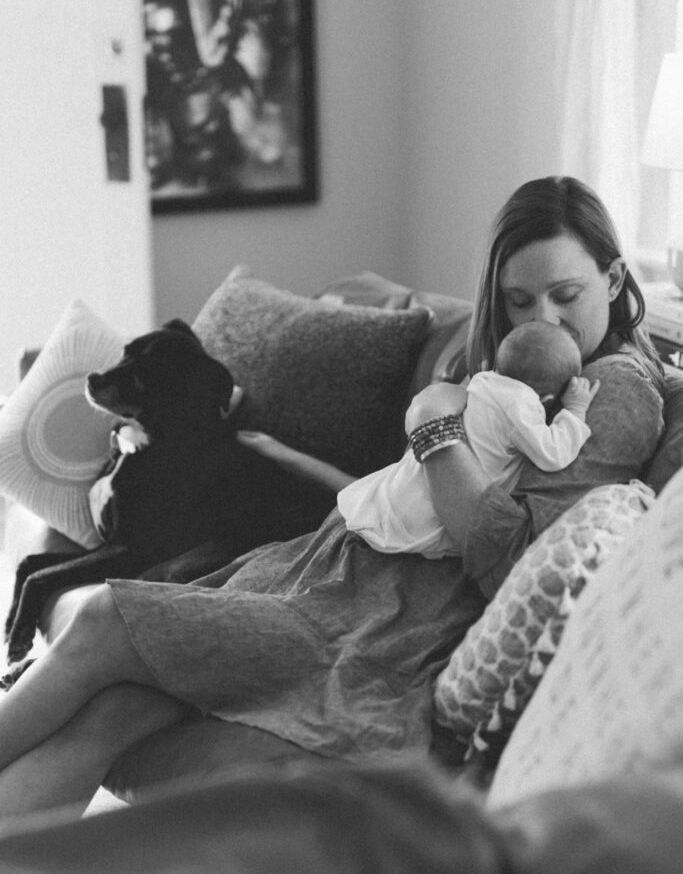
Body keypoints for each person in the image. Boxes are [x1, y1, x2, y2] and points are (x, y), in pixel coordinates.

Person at [0, 176, 665, 819]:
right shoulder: (518, 371)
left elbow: (504, 559)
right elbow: (400, 501)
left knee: (103, 619)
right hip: (328, 570)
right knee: (115, 711)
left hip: (381, 620)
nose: (540, 319)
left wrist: (433, 431)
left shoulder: (615, 396)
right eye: (518, 301)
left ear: (612, 279)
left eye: (564, 294)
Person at [338, 321, 599, 559]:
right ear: (547, 400)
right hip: (444, 505)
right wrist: (575, 410)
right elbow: (553, 454)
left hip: (415, 483)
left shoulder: (482, 381)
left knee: (398, 502)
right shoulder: (522, 405)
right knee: (422, 528)